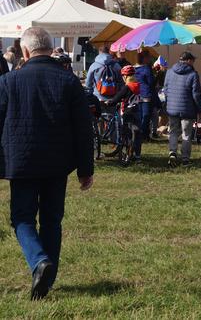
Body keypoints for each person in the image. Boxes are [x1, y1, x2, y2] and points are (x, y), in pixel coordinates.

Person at [0, 27, 94, 300]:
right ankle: (46, 280)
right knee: (52, 220)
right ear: (51, 49)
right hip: (57, 163)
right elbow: (83, 129)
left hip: (21, 162)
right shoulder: (69, 81)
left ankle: (39, 261)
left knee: (22, 218)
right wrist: (85, 169)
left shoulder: (8, 81)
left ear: (25, 51)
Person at [163, 51, 201, 167]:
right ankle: (185, 158)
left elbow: (165, 90)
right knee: (186, 134)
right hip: (187, 109)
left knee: (173, 132)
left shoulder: (170, 72)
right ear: (189, 61)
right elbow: (196, 94)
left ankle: (172, 152)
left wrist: (168, 103)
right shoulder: (193, 74)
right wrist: (200, 109)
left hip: (172, 108)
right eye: (193, 60)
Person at [104, 65, 143, 161]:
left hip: (126, 112)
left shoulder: (127, 87)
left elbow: (117, 98)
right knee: (137, 134)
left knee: (126, 134)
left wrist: (110, 102)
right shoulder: (137, 85)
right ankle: (137, 156)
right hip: (137, 111)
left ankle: (127, 154)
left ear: (125, 76)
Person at [134, 51, 155, 140]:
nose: (150, 59)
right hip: (146, 94)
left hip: (136, 94)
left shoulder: (133, 68)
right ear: (145, 58)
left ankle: (139, 133)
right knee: (146, 116)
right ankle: (143, 134)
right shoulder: (146, 69)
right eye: (149, 57)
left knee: (139, 115)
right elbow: (151, 82)